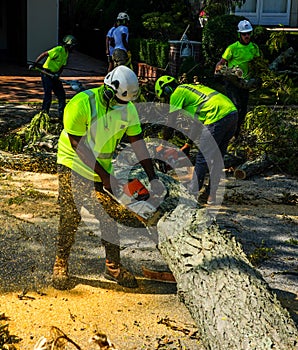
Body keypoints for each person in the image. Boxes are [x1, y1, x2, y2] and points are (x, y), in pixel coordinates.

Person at [53, 65, 162, 290]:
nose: (123, 106)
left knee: (109, 215)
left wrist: (153, 178)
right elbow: (76, 143)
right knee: (71, 214)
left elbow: (139, 145)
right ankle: (60, 263)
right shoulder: (81, 103)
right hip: (72, 162)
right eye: (120, 101)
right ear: (109, 90)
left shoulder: (128, 109)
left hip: (101, 167)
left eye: (126, 102)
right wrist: (105, 177)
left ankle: (112, 266)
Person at [155, 75, 238, 205]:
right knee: (217, 158)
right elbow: (197, 125)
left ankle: (192, 194)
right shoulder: (192, 90)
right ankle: (211, 195)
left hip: (217, 115)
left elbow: (171, 121)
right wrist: (188, 144)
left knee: (202, 158)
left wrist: (162, 144)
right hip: (232, 113)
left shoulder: (177, 93)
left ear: (166, 91)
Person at [215, 19, 260, 138]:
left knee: (243, 109)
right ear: (239, 34)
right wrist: (217, 71)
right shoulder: (232, 48)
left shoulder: (254, 48)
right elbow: (221, 62)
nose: (247, 36)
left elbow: (258, 64)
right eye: (244, 34)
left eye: (249, 33)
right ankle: (229, 132)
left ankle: (237, 132)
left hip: (245, 83)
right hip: (233, 81)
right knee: (236, 106)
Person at [29, 35, 77, 120]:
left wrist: (58, 74)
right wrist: (35, 64)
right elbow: (44, 54)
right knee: (48, 95)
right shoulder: (58, 49)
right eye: (72, 45)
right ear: (68, 44)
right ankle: (44, 115)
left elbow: (62, 66)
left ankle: (61, 116)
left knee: (61, 95)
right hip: (46, 74)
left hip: (54, 75)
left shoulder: (66, 53)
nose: (73, 47)